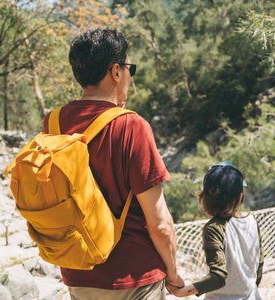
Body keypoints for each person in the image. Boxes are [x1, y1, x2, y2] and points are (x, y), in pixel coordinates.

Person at [43, 28, 184, 299]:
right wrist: (173, 274)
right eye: (130, 68)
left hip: (78, 276)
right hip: (135, 279)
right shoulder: (132, 126)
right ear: (116, 71)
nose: (130, 76)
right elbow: (160, 224)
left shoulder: (53, 122)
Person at [167, 161, 264, 299]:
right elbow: (259, 265)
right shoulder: (252, 221)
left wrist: (182, 292)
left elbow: (218, 277)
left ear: (204, 197)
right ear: (240, 197)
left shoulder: (213, 228)